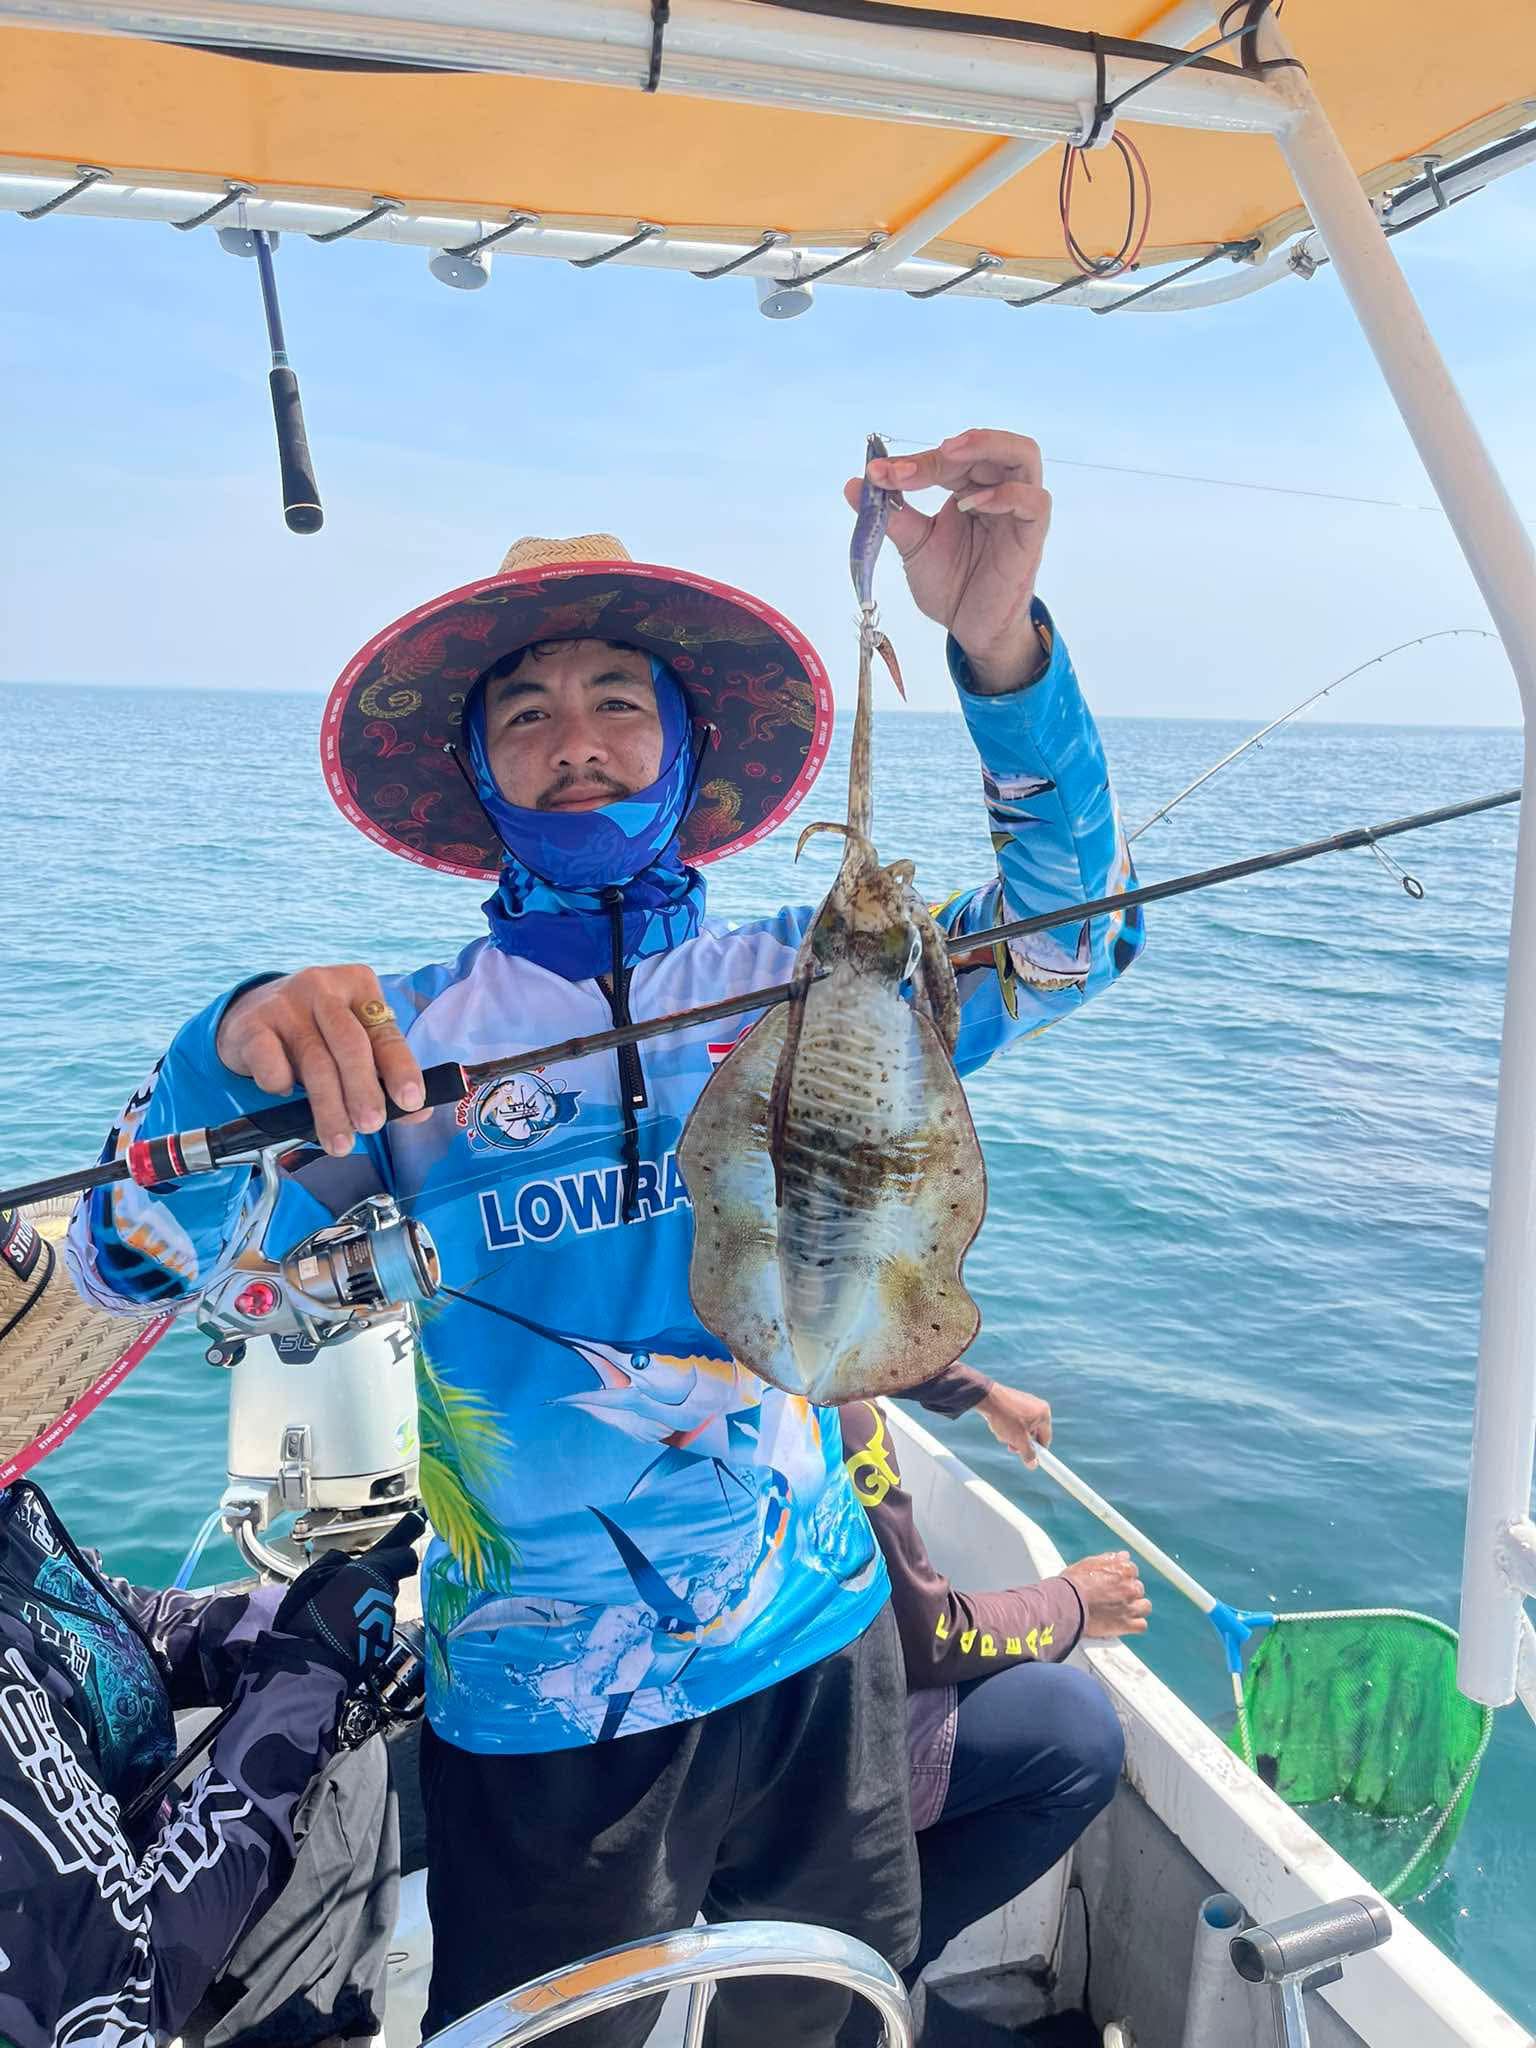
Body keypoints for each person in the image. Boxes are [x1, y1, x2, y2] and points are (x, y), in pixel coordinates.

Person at [68, 430, 1145, 2044]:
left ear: (687, 747)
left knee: (828, 2021)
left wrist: (1002, 652)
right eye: (525, 713)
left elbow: (1077, 934)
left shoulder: (819, 978)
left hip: (820, 1642)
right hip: (538, 1710)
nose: (574, 741)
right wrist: (222, 1056)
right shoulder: (401, 1045)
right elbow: (129, 1267)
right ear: (481, 776)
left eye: (617, 702)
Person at [0, 1202, 417, 2048]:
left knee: (341, 1742)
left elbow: (111, 1624)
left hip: (101, 1839)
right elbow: (120, 1997)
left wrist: (289, 1623)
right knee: (323, 1745)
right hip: (106, 1971)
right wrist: (306, 1678)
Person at [843, 1372, 1149, 1991]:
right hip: (784, 1763)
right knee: (1074, 1731)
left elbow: (840, 1342)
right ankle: (870, 1969)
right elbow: (931, 1641)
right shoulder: (837, 1422)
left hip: (679, 1732)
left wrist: (979, 1393)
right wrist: (1074, 1601)